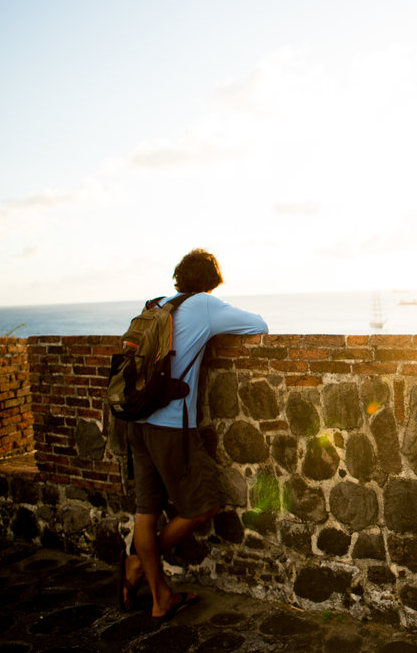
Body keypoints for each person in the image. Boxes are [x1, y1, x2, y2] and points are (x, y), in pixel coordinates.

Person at [118, 248, 268, 622]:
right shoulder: (202, 305)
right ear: (212, 282)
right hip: (171, 426)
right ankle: (138, 560)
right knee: (203, 506)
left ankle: (160, 597)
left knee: (146, 511)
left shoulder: (157, 305)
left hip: (136, 421)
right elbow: (259, 325)